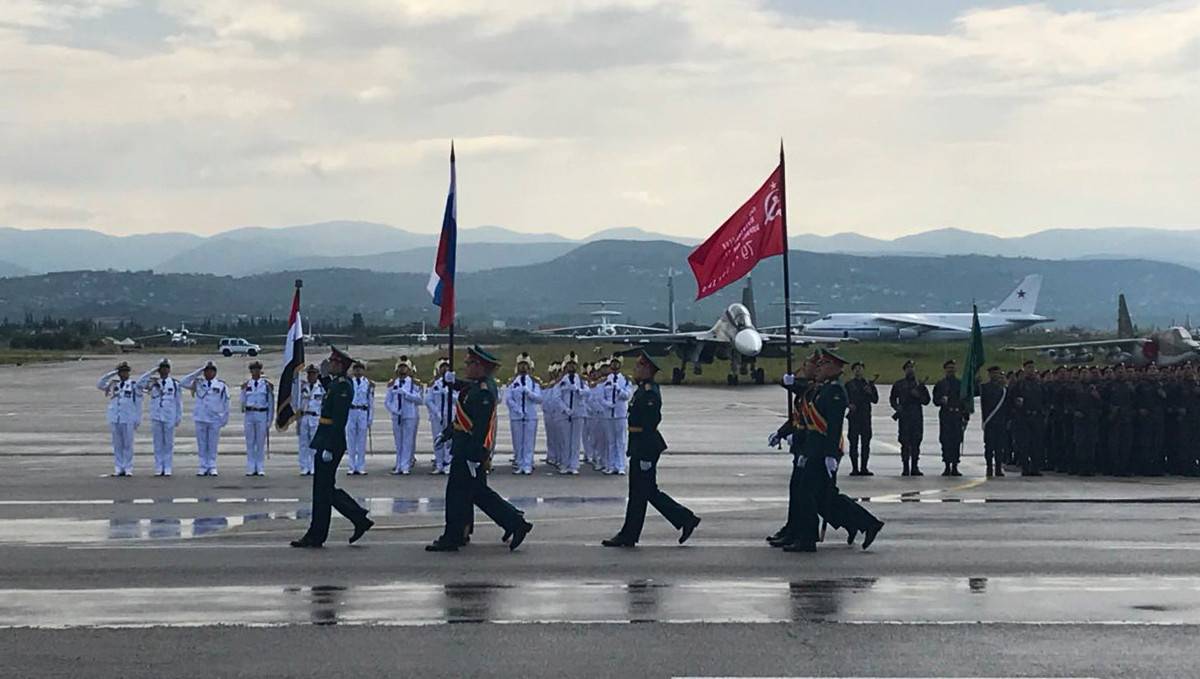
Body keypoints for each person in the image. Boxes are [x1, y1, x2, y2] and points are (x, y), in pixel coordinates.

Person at [427, 345, 533, 552]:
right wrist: (453, 383)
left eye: (469, 363)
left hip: (470, 451)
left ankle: (454, 536)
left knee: (458, 494)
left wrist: (475, 455)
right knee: (476, 493)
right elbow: (466, 397)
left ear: (480, 366)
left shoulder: (484, 392)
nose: (466, 366)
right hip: (466, 448)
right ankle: (512, 521)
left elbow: (481, 426)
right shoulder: (478, 386)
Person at [781, 350, 882, 553]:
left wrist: (829, 455)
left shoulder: (835, 391)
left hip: (822, 452)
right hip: (813, 450)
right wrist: (788, 383)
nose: (819, 368)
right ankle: (865, 523)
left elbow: (834, 426)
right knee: (823, 496)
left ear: (834, 368)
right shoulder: (822, 388)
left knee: (808, 493)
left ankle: (807, 539)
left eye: (823, 365)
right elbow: (803, 391)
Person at [602, 351, 700, 547]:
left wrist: (645, 455)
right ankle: (631, 533)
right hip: (639, 445)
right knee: (642, 492)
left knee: (644, 492)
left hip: (645, 447)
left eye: (639, 366)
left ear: (647, 369)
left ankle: (684, 519)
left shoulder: (649, 393)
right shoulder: (642, 389)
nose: (636, 369)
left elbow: (650, 423)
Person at [291, 347, 374, 548]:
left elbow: (339, 418)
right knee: (324, 489)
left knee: (323, 490)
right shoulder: (338, 383)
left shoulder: (345, 386)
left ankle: (318, 533)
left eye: (333, 362)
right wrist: (323, 376)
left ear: (341, 365)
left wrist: (328, 446)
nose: (330, 363)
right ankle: (357, 518)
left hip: (331, 440)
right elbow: (330, 391)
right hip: (325, 438)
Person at [181, 360, 229, 476]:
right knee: (202, 444)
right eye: (206, 371)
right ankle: (203, 466)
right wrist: (198, 371)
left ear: (215, 373)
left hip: (214, 418)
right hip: (201, 417)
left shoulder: (221, 385)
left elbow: (226, 403)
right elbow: (183, 382)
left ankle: (212, 466)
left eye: (211, 371)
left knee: (212, 444)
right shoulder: (198, 383)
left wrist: (224, 419)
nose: (208, 373)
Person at [137, 358, 183, 477]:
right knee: (157, 443)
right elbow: (139, 384)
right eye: (162, 368)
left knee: (168, 443)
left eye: (166, 368)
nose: (164, 370)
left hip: (169, 416)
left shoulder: (174, 384)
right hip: (156, 415)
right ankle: (158, 466)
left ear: (169, 369)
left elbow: (178, 402)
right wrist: (152, 371)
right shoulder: (152, 383)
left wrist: (178, 417)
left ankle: (167, 467)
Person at [97, 361, 142, 477]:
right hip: (115, 417)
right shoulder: (113, 385)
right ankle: (118, 467)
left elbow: (138, 404)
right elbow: (100, 384)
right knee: (117, 445)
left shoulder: (133, 385)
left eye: (126, 372)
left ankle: (128, 468)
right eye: (122, 372)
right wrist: (113, 373)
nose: (124, 374)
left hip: (128, 418)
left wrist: (137, 418)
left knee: (128, 444)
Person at [889, 360, 930, 476]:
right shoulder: (899, 384)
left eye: (912, 367)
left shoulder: (919, 385)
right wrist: (897, 408)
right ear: (904, 370)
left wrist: (919, 396)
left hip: (916, 416)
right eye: (908, 368)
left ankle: (915, 467)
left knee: (916, 442)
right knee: (905, 442)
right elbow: (892, 399)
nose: (910, 370)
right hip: (904, 417)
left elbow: (927, 401)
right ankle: (905, 467)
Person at [504, 352, 542, 475]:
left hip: (530, 415)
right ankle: (520, 464)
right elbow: (508, 399)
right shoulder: (512, 382)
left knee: (529, 442)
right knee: (518, 442)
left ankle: (528, 464)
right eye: (521, 365)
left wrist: (528, 393)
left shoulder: (534, 382)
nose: (523, 367)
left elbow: (539, 398)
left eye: (525, 365)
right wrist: (517, 409)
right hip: (517, 416)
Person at [385, 356, 423, 475]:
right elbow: (387, 401)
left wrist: (406, 394)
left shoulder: (414, 383)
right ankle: (398, 465)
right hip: (397, 415)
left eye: (405, 367)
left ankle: (405, 465)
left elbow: (420, 400)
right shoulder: (392, 384)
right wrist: (394, 410)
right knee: (398, 442)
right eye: (400, 367)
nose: (402, 369)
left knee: (407, 441)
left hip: (410, 414)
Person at [598, 355, 633, 476]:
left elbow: (627, 396)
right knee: (610, 441)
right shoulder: (605, 380)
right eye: (613, 363)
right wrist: (607, 404)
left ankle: (621, 465)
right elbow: (600, 397)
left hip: (620, 414)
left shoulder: (625, 380)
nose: (614, 366)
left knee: (621, 441)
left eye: (617, 363)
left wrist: (619, 389)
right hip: (609, 414)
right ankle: (611, 465)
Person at [239, 360, 274, 476]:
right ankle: (250, 466)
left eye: (257, 369)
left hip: (261, 414)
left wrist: (269, 420)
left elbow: (271, 403)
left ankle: (259, 466)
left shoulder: (266, 385)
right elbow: (242, 401)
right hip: (249, 414)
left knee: (260, 442)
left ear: (260, 371)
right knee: (250, 442)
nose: (255, 372)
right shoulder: (246, 385)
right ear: (250, 371)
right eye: (253, 370)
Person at [553, 353, 586, 475]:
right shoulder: (562, 380)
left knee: (576, 441)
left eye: (573, 364)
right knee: (565, 440)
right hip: (565, 414)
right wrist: (565, 408)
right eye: (569, 365)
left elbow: (587, 392)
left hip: (578, 412)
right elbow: (556, 397)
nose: (571, 367)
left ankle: (574, 464)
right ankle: (565, 464)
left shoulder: (581, 380)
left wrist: (578, 390)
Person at [1011, 360, 1045, 476]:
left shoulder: (1039, 384)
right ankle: (1025, 467)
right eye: (1028, 368)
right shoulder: (1019, 384)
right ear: (1024, 369)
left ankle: (1035, 467)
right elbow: (1012, 400)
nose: (1031, 370)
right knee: (1024, 444)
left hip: (1036, 417)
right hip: (1023, 418)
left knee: (1037, 444)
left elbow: (1045, 400)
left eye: (1032, 368)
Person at [844, 362, 878, 476]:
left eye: (860, 368)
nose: (858, 370)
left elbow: (875, 399)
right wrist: (849, 405)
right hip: (854, 417)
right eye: (856, 368)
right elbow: (844, 398)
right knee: (853, 444)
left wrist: (870, 392)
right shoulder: (849, 384)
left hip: (865, 417)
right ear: (853, 371)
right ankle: (854, 468)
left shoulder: (868, 384)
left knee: (865, 444)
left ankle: (864, 467)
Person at [932, 359, 966, 477]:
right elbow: (935, 401)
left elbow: (965, 400)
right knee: (945, 440)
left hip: (957, 415)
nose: (951, 370)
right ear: (945, 370)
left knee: (956, 440)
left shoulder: (961, 383)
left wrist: (965, 416)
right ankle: (947, 465)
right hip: (946, 415)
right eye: (949, 368)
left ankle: (955, 466)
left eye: (953, 368)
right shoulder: (940, 384)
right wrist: (940, 400)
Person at [345, 360, 374, 475]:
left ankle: (361, 466)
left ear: (363, 370)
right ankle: (351, 466)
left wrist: (370, 418)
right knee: (351, 440)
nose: (357, 370)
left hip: (362, 411)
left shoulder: (368, 384)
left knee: (361, 441)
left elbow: (371, 402)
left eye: (360, 368)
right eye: (356, 368)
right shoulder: (348, 382)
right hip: (351, 411)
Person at [979, 366, 1008, 477]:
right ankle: (989, 467)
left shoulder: (1004, 388)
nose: (996, 375)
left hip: (1001, 421)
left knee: (1000, 447)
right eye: (993, 373)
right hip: (990, 422)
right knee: (989, 446)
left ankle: (998, 467)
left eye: (998, 373)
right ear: (989, 375)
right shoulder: (984, 387)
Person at [425, 357, 452, 475]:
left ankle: (448, 463)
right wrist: (436, 412)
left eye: (447, 367)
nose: (445, 369)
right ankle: (439, 464)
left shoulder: (454, 383)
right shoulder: (434, 384)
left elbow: (460, 398)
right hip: (437, 416)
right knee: (438, 439)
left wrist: (450, 395)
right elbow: (428, 400)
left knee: (449, 440)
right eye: (442, 367)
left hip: (450, 414)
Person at [296, 364, 324, 476]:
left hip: (315, 417)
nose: (311, 376)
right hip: (304, 417)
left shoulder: (321, 388)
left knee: (315, 444)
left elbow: (323, 405)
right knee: (303, 443)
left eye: (313, 374)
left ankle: (313, 466)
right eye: (309, 374)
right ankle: (304, 466)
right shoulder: (302, 387)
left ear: (317, 375)